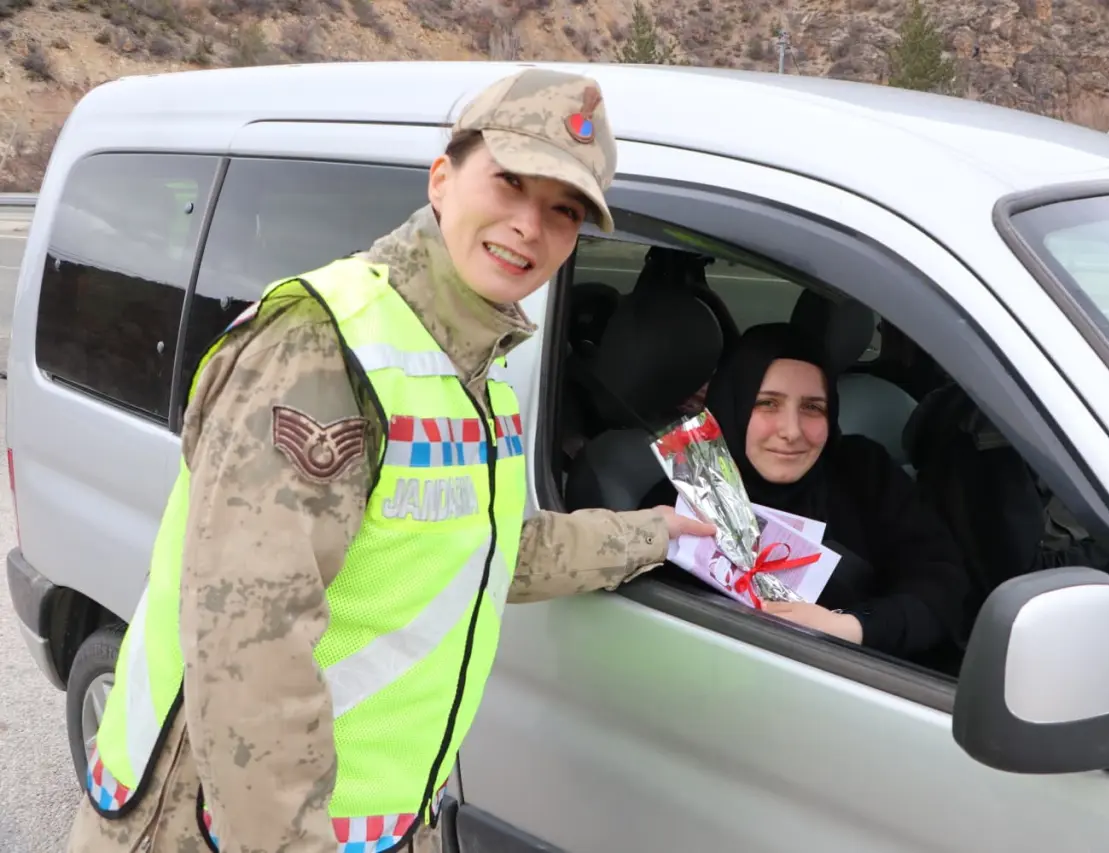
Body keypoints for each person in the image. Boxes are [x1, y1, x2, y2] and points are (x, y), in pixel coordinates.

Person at [67, 68, 716, 853]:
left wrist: (657, 534)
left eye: (563, 210)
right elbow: (251, 651)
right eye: (509, 182)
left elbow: (491, 548)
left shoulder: (477, 377)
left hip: (365, 828)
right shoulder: (324, 346)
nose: (528, 226)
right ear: (442, 179)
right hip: (219, 828)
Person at [655, 322, 970, 665]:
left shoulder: (863, 471)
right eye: (767, 404)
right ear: (734, 404)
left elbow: (944, 585)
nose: (791, 431)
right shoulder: (681, 504)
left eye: (812, 407)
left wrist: (851, 627)